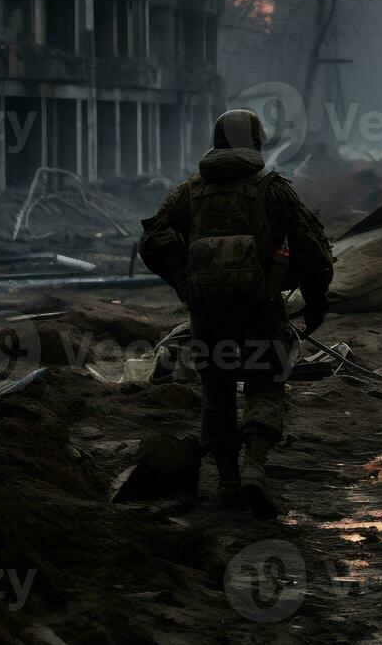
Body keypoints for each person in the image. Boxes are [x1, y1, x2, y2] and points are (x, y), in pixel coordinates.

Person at [139, 110, 334, 518]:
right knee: (265, 384)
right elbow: (313, 248)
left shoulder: (187, 193)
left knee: (218, 391)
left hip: (209, 316)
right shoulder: (273, 190)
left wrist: (185, 282)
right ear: (256, 143)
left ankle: (227, 481)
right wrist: (314, 300)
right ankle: (254, 469)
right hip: (261, 310)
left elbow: (153, 240)